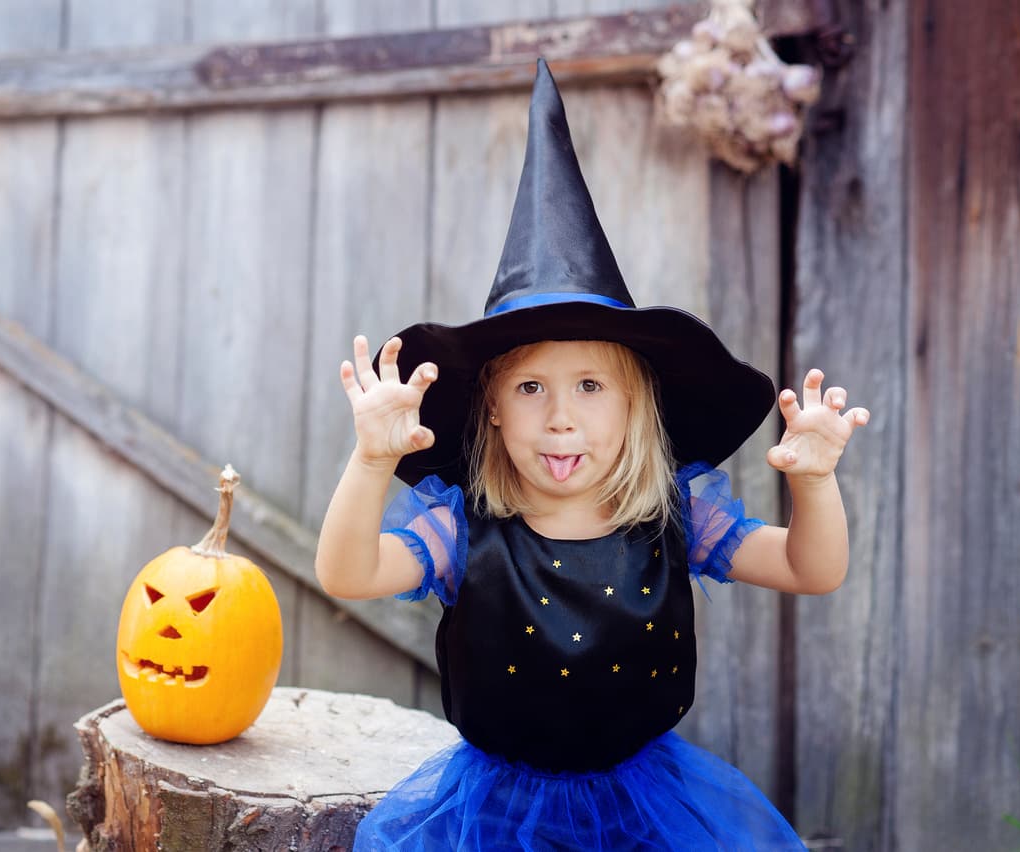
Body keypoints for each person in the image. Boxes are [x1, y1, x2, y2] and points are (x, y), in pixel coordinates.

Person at [315, 58, 870, 851]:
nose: (562, 418)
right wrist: (370, 463)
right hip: (494, 818)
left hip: (646, 814)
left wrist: (814, 484)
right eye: (532, 390)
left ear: (638, 405)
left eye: (589, 387)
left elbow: (812, 571)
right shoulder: (462, 528)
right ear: (493, 411)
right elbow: (347, 574)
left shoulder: (679, 516)